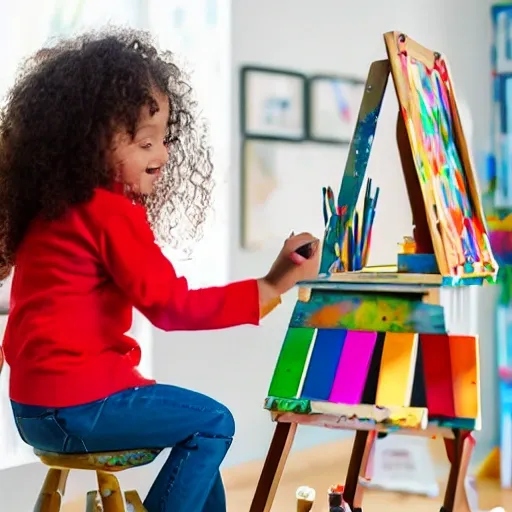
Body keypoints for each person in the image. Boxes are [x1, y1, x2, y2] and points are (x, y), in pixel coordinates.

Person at [0, 28, 320, 511]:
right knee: (214, 423)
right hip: (78, 405)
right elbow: (170, 307)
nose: (163, 155)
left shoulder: (47, 211)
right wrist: (272, 285)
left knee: (196, 427)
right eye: (145, 142)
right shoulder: (109, 212)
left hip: (32, 409)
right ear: (89, 142)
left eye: (163, 140)